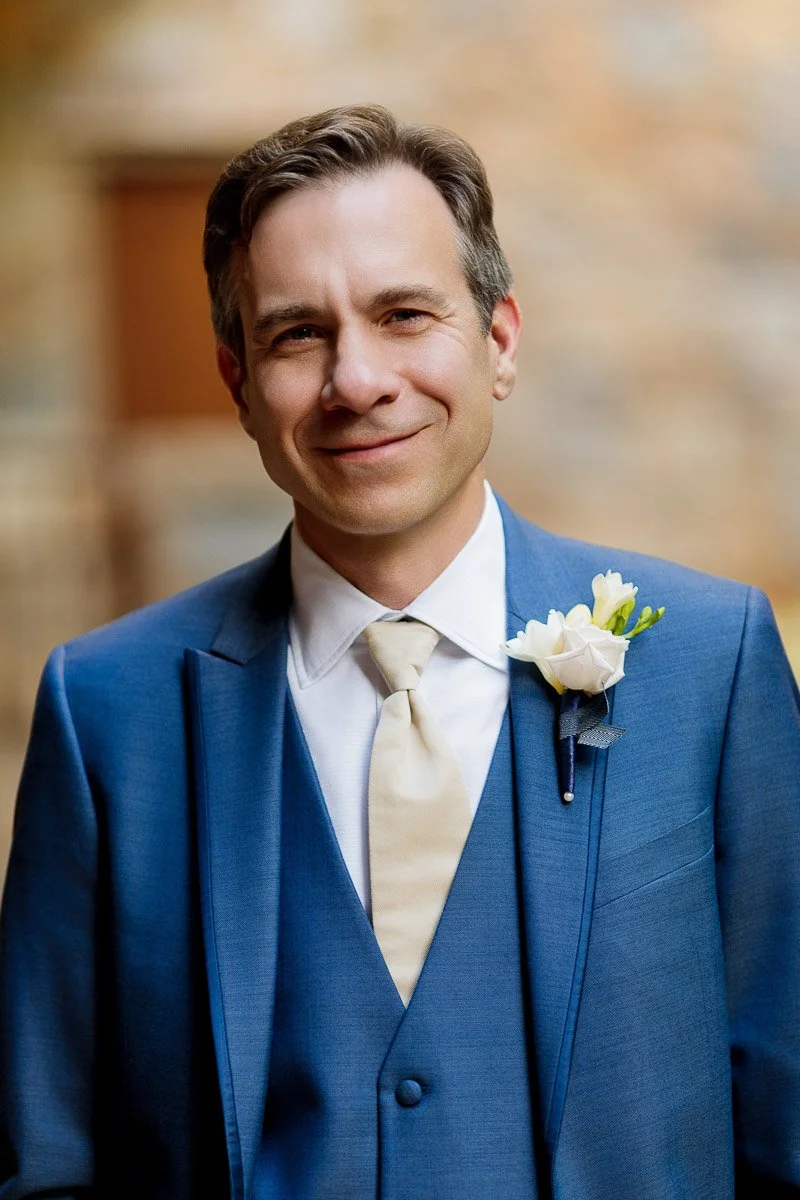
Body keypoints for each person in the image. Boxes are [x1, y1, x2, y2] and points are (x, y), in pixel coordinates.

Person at [1, 104, 798, 1200]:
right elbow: (47, 1159)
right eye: (296, 334)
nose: (356, 381)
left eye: (403, 313)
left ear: (498, 340)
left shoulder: (712, 664)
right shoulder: (105, 712)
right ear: (238, 382)